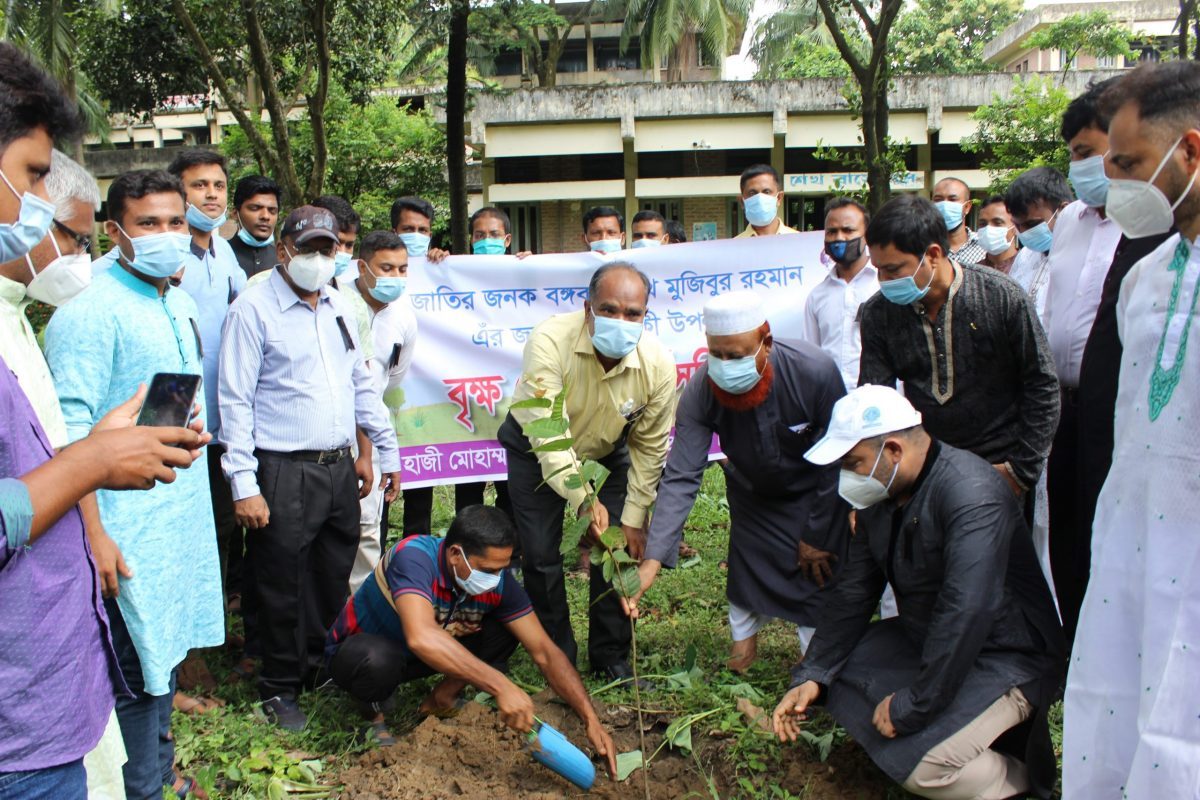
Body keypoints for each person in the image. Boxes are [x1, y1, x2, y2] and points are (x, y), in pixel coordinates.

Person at [0, 46, 201, 800]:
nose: (37, 201)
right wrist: (92, 464)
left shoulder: (15, 315)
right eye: (31, 176)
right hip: (19, 722)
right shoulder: (85, 310)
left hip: (47, 681)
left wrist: (94, 448)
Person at [774, 385, 1064, 800]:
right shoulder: (882, 495)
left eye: (853, 464)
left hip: (1006, 654)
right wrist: (814, 673)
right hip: (930, 633)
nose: (847, 478)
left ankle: (1019, 779)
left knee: (926, 770)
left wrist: (914, 704)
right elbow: (855, 590)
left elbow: (967, 610)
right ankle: (926, 733)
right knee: (837, 670)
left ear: (893, 450)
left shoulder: (971, 494)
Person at [43, 169, 224, 800]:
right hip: (122, 530)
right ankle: (142, 787)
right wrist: (94, 534)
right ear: (114, 231)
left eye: (176, 221)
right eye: (149, 223)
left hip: (174, 516)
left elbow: (168, 399)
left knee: (162, 656)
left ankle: (160, 771)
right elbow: (65, 434)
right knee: (133, 671)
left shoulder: (179, 301)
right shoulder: (87, 311)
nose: (167, 234)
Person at [1062, 60, 1200, 800]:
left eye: (1129, 162)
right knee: (1115, 704)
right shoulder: (1145, 277)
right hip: (1131, 539)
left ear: (1190, 151)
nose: (1114, 180)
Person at [219, 205, 401, 731]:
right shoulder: (253, 310)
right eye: (309, 249)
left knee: (330, 573)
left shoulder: (339, 305)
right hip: (283, 469)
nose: (320, 259)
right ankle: (279, 686)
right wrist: (244, 483)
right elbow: (235, 400)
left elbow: (360, 384)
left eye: (329, 249)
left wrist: (384, 451)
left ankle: (320, 666)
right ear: (283, 251)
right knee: (281, 582)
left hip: (337, 466)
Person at [626, 291, 848, 673]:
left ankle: (815, 663)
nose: (726, 366)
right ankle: (743, 651)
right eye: (718, 355)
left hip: (815, 491)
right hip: (752, 495)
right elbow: (681, 475)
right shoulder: (701, 390)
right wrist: (653, 560)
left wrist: (820, 532)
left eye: (737, 356)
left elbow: (839, 455)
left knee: (817, 571)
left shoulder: (814, 371)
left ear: (766, 342)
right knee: (748, 572)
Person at [325, 504, 618, 776]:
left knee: (506, 629)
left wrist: (590, 719)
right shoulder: (414, 557)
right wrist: (501, 685)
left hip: (422, 656)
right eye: (488, 570)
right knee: (378, 660)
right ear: (455, 554)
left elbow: (544, 651)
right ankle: (373, 716)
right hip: (361, 653)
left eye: (502, 568)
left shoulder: (497, 581)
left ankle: (442, 698)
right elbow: (421, 637)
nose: (496, 578)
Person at [498, 262, 675, 682]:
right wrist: (583, 501)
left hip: (608, 450)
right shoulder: (549, 341)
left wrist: (634, 516)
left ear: (645, 315)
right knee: (540, 554)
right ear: (587, 308)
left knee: (617, 549)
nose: (621, 321)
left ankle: (610, 656)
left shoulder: (658, 364)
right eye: (609, 310)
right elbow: (550, 435)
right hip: (536, 447)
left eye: (633, 313)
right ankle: (557, 656)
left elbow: (650, 448)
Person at [858, 195, 1059, 501]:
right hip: (925, 473)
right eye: (878, 270)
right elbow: (876, 397)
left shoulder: (1001, 296)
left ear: (933, 254)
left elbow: (1042, 384)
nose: (884, 281)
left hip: (1001, 469)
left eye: (894, 270)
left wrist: (1021, 471)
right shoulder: (879, 313)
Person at [339, 231, 416, 592]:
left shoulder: (404, 317)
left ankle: (361, 609)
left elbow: (390, 378)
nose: (395, 277)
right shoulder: (336, 302)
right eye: (386, 268)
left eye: (402, 269)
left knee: (367, 527)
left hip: (372, 432)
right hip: (329, 431)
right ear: (362, 267)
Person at [802, 197, 880, 391]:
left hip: (877, 398)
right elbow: (810, 356)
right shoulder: (817, 296)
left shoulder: (883, 286)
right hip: (830, 399)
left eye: (848, 230)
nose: (839, 238)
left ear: (867, 235)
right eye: (832, 231)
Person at [1005, 168, 1074, 320]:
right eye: (1017, 225)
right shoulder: (1025, 256)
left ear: (1063, 210)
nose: (1024, 232)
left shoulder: (1085, 257)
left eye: (1031, 224)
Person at [227, 175, 281, 277]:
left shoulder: (283, 261)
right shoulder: (218, 255)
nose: (265, 216)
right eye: (255, 208)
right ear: (235, 213)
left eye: (272, 211)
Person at [930, 177, 986, 267]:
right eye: (938, 200)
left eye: (952, 199)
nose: (945, 205)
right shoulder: (921, 247)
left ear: (967, 207)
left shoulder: (984, 246)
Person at [734, 164, 794, 238]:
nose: (759, 199)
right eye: (752, 193)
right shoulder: (734, 244)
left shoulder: (799, 241)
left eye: (767, 192)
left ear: (779, 198)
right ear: (742, 201)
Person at [974, 195, 1018, 274]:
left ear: (1016, 227)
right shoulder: (974, 272)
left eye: (997, 223)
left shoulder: (1027, 267)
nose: (988, 229)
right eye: (983, 223)